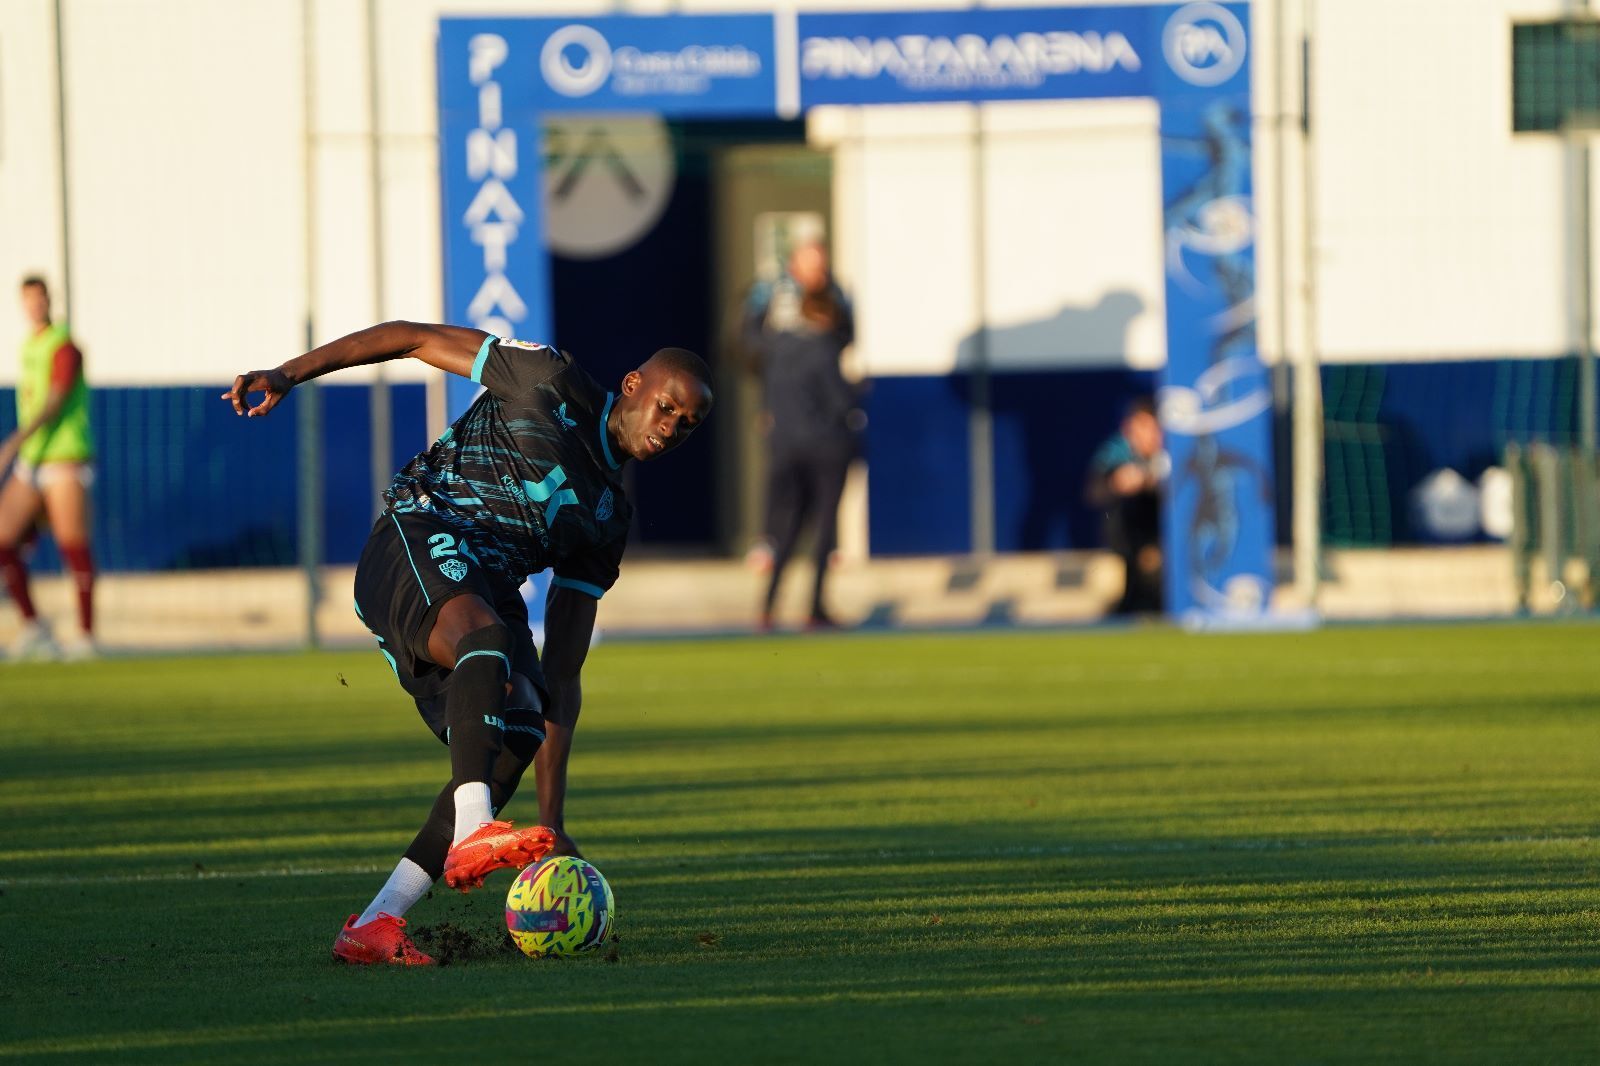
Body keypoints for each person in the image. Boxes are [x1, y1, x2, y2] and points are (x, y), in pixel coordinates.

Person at [224, 322, 713, 966]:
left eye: (687, 424)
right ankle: (474, 829)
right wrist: (290, 373)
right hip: (416, 531)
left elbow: (564, 673)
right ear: (632, 385)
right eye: (667, 407)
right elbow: (410, 338)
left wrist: (553, 822)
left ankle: (374, 924)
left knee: (521, 721)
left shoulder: (606, 520)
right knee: (486, 637)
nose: (671, 427)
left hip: (482, 584)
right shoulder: (546, 380)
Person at [742, 239, 860, 630]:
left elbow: (752, 343)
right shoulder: (817, 342)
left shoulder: (779, 345)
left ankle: (769, 606)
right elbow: (839, 399)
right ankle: (814, 608)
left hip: (787, 439)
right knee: (821, 526)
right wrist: (858, 395)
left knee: (788, 526)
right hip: (824, 444)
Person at [0, 276, 96, 660]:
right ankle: (34, 626)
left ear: (48, 300)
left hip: (64, 459)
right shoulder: (29, 345)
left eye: (39, 298)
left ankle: (86, 636)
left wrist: (13, 442)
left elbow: (55, 400)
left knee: (72, 543)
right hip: (33, 460)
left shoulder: (64, 345)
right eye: (28, 300)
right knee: (3, 537)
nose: (34, 306)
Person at [1085, 396, 1167, 616]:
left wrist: (1150, 483)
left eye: (1153, 428)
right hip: (1125, 540)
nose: (1148, 435)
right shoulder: (1116, 451)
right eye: (1141, 427)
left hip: (1160, 538)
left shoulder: (1171, 452)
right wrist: (1115, 483)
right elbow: (1093, 492)